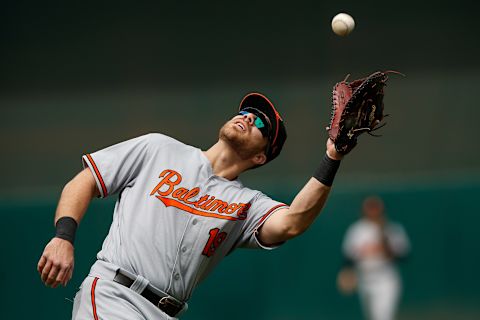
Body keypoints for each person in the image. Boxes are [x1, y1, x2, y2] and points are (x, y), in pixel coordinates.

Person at [38, 93, 344, 319]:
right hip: (114, 295)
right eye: (247, 111)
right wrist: (63, 236)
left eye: (260, 122)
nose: (249, 117)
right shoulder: (158, 148)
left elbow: (293, 222)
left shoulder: (247, 204)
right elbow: (84, 181)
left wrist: (333, 157)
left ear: (260, 157)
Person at [337, 196, 410, 320]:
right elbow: (348, 257)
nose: (373, 211)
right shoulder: (357, 230)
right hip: (364, 279)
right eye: (370, 207)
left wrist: (386, 242)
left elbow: (404, 256)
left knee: (383, 317)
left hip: (386, 279)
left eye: (376, 207)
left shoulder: (391, 229)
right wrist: (347, 273)